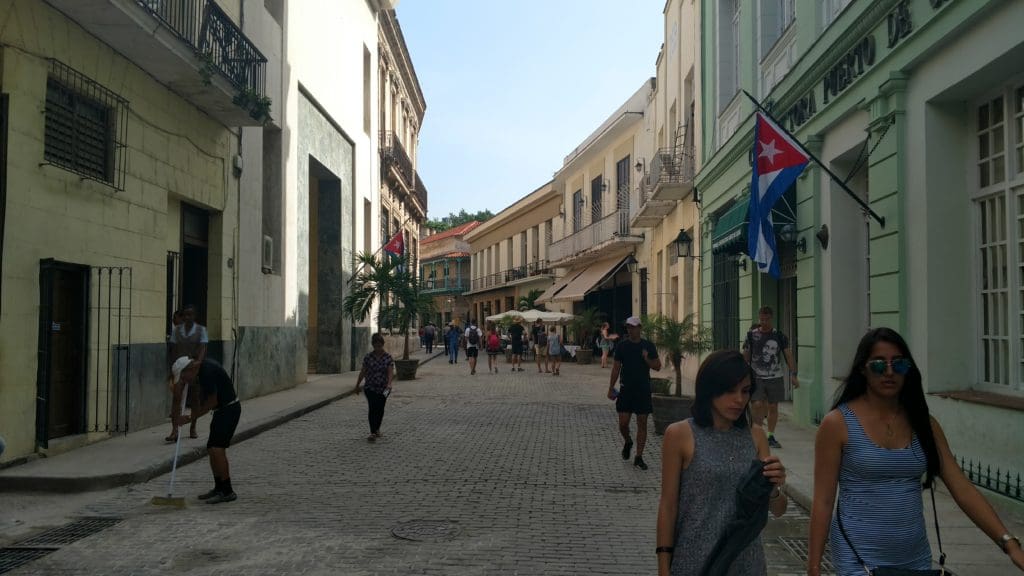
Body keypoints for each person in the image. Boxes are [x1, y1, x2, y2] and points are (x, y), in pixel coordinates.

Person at [808, 327, 1024, 575]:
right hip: (859, 558)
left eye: (898, 365)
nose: (889, 372)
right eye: (879, 365)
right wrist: (813, 565)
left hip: (915, 560)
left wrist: (1008, 542)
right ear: (862, 369)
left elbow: (962, 488)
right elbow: (824, 501)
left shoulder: (924, 425)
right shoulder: (837, 424)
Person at [656, 350, 788, 575]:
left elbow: (777, 510)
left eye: (745, 391)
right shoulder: (680, 435)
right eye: (730, 390)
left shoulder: (755, 437)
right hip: (695, 559)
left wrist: (775, 487)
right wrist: (663, 565)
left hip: (745, 560)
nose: (739, 399)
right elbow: (668, 505)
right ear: (710, 389)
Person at [171, 356, 240, 505]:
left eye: (184, 377)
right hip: (221, 410)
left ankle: (227, 491)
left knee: (217, 448)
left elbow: (212, 401)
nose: (185, 381)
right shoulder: (201, 370)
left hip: (229, 409)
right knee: (211, 448)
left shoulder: (207, 372)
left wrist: (190, 418)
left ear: (189, 370)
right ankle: (219, 487)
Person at [607, 316, 661, 470]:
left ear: (640, 328)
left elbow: (657, 366)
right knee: (623, 424)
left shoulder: (648, 346)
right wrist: (611, 387)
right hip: (626, 389)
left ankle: (639, 456)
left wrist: (647, 359)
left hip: (643, 390)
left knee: (642, 423)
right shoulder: (622, 346)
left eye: (633, 327)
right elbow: (616, 367)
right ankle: (628, 441)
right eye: (628, 327)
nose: (630, 329)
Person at [742, 306, 796, 449]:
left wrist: (793, 374)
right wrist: (742, 373)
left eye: (766, 319)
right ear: (759, 318)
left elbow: (788, 354)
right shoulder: (751, 335)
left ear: (771, 318)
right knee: (757, 404)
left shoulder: (779, 336)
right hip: (756, 375)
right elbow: (746, 355)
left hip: (775, 375)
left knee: (773, 406)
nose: (764, 322)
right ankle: (757, 432)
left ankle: (770, 435)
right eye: (761, 319)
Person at [167, 304, 208, 442]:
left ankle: (193, 427)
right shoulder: (177, 331)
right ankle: (174, 430)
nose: (187, 317)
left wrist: (198, 363)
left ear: (194, 316)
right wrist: (172, 369)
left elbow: (202, 348)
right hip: (179, 367)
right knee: (177, 398)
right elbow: (173, 350)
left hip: (194, 367)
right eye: (185, 315)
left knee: (195, 399)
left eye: (190, 314)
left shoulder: (201, 330)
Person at [353, 333, 394, 442]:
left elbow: (390, 372)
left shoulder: (388, 357)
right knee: (372, 408)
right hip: (370, 387)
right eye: (376, 345)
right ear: (373, 345)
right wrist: (357, 385)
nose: (378, 348)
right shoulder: (368, 357)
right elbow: (363, 371)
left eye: (379, 345)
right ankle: (372, 432)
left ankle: (377, 428)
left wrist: (389, 384)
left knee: (380, 408)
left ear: (382, 344)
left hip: (385, 389)